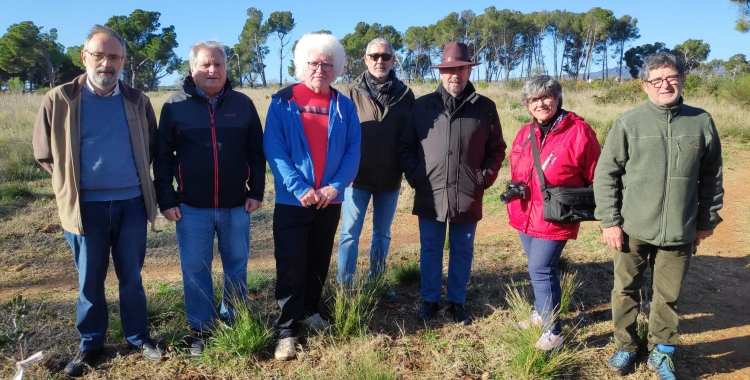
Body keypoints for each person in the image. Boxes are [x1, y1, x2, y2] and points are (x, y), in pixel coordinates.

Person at [32, 25, 163, 377]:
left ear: (123, 62)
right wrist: (74, 185)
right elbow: (45, 153)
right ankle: (91, 344)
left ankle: (138, 336)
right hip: (84, 209)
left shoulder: (138, 100)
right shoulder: (59, 99)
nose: (107, 64)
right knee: (89, 281)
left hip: (132, 203)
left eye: (115, 57)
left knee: (131, 277)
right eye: (100, 56)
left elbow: (151, 147)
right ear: (84, 57)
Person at [594, 52, 723, 379]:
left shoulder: (701, 121)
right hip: (633, 228)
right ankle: (626, 345)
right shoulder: (629, 122)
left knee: (668, 297)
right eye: (657, 80)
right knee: (625, 291)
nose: (665, 85)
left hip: (680, 229)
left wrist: (706, 221)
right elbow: (606, 174)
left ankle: (661, 352)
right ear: (645, 86)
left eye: (672, 78)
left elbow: (712, 176)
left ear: (681, 80)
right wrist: (610, 221)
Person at [153, 41, 265, 355]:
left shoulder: (242, 104)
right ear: (192, 69)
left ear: (226, 68)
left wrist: (256, 191)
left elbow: (256, 152)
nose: (213, 70)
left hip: (236, 205)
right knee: (195, 269)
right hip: (191, 208)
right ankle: (201, 328)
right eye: (205, 64)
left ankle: (234, 318)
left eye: (218, 64)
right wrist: (167, 199)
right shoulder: (175, 105)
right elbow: (162, 157)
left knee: (237, 265)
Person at [263, 32, 361, 361]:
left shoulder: (344, 106)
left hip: (329, 200)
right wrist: (300, 188)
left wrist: (336, 187)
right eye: (313, 63)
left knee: (318, 259)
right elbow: (274, 149)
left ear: (337, 69)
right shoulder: (282, 101)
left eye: (327, 64)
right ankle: (287, 330)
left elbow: (352, 151)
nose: (320, 69)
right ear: (301, 65)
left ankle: (310, 312)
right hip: (294, 201)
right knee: (291, 264)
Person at [399, 42, 506, 326]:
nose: (455, 75)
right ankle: (430, 300)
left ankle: (457, 301)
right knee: (430, 247)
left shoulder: (485, 107)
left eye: (460, 68)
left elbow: (497, 149)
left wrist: (484, 178)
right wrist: (417, 176)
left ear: (469, 70)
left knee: (462, 248)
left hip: (468, 192)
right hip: (430, 192)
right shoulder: (422, 106)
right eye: (449, 69)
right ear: (441, 73)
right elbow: (405, 146)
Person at [505, 75, 601, 351]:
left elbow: (597, 173)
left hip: (556, 214)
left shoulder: (579, 131)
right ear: (526, 104)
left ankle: (554, 333)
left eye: (547, 96)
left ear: (558, 98)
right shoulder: (525, 133)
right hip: (525, 212)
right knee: (538, 269)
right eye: (534, 99)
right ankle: (541, 312)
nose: (541, 103)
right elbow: (517, 167)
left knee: (541, 268)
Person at [336, 38, 414, 285]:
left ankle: (377, 281)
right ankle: (345, 284)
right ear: (365, 59)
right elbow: (337, 136)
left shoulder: (405, 95)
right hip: (355, 178)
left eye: (385, 56)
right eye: (374, 56)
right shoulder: (348, 93)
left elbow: (411, 136)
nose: (380, 61)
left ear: (393, 60)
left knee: (382, 234)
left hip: (390, 178)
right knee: (349, 233)